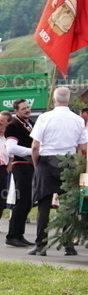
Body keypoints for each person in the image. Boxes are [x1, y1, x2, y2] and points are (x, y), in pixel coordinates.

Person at [28, 86, 88, 256]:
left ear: (54, 100)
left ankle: (41, 246)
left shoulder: (44, 118)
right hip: (69, 162)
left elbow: (35, 147)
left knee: (44, 206)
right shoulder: (78, 120)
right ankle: (68, 245)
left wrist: (36, 164)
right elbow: (83, 146)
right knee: (67, 207)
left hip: (46, 162)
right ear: (68, 100)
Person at [3, 99, 35, 247]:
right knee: (21, 201)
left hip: (31, 166)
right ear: (16, 111)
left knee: (27, 201)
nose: (27, 110)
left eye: (28, 107)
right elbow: (11, 148)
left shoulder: (32, 124)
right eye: (23, 109)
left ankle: (19, 234)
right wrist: (33, 151)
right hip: (21, 165)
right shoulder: (13, 126)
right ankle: (12, 235)